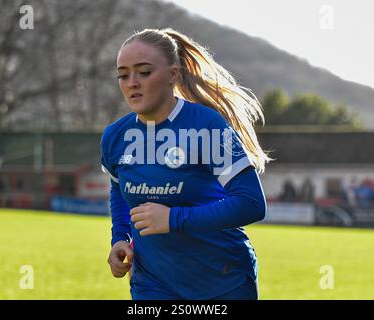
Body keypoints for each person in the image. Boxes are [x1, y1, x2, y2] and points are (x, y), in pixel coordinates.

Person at [100, 28, 272, 300]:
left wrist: (173, 218)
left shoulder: (207, 127)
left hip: (221, 280)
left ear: (173, 75)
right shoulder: (115, 137)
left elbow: (251, 203)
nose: (132, 82)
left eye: (144, 72)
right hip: (152, 283)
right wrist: (120, 238)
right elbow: (119, 191)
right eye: (123, 75)